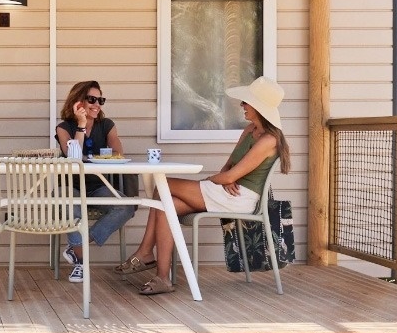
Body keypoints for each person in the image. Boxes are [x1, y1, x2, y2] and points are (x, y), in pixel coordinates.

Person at [116, 75, 291, 295]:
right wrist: (224, 179)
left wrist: (215, 180)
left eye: (246, 102)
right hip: (225, 191)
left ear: (258, 106)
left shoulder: (269, 141)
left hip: (240, 199)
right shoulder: (249, 131)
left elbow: (228, 177)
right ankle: (161, 277)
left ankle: (144, 253)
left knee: (163, 187)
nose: (242, 105)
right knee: (165, 206)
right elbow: (228, 168)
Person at [54, 80, 136, 284]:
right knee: (71, 206)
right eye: (92, 99)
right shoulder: (64, 127)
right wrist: (81, 125)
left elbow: (118, 153)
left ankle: (78, 246)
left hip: (100, 186)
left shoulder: (106, 125)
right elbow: (73, 157)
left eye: (100, 99)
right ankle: (81, 263)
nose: (97, 104)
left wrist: (100, 157)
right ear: (77, 101)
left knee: (125, 207)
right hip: (71, 186)